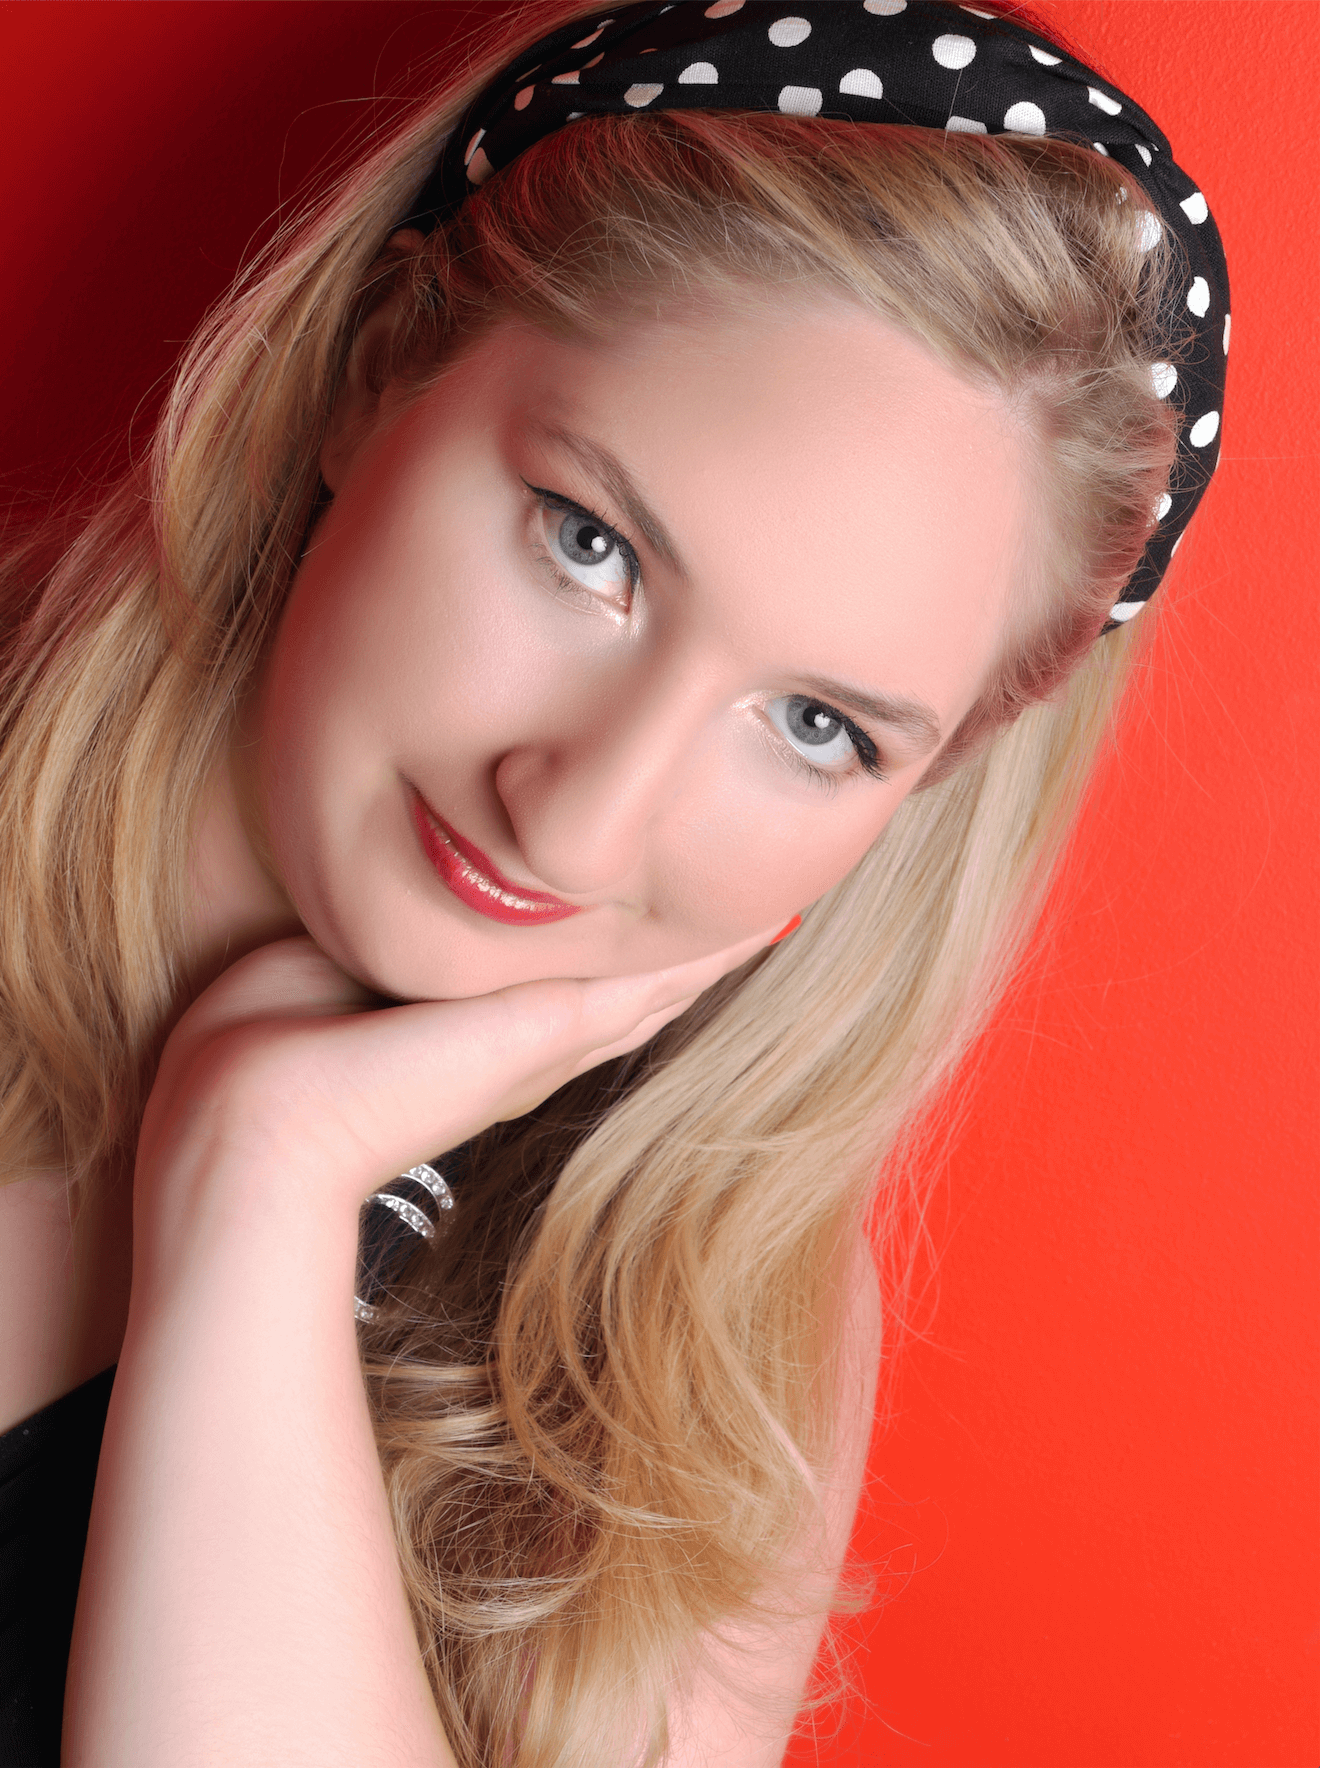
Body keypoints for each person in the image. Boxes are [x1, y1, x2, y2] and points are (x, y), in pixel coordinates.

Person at [0, 2, 1228, 1763]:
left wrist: (260, 1184)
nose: (576, 822)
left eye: (815, 726)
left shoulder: (697, 1340)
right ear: (382, 363)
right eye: (591, 547)